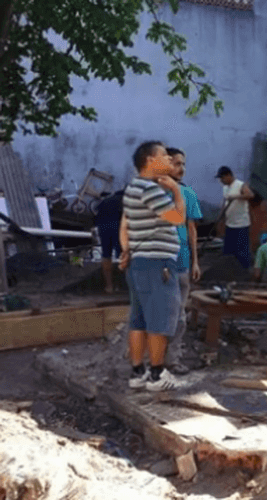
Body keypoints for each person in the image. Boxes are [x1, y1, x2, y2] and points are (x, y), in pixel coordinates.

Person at [119, 141, 185, 391]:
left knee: (139, 319)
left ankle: (138, 372)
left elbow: (127, 224)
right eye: (164, 156)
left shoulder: (133, 187)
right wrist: (176, 191)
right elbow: (178, 218)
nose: (169, 160)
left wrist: (127, 250)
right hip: (157, 263)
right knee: (159, 317)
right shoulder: (150, 189)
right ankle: (157, 375)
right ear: (150, 160)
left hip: (140, 262)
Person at [167, 147, 203, 374]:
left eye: (183, 164)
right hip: (159, 261)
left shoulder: (188, 193)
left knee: (179, 316)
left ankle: (171, 359)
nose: (181, 168)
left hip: (182, 261)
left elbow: (191, 229)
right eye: (176, 163)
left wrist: (195, 261)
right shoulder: (154, 193)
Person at [215, 166, 254, 268]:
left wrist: (236, 197)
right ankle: (230, 270)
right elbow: (225, 202)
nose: (221, 181)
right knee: (228, 250)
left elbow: (250, 195)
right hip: (230, 224)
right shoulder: (225, 188)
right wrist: (221, 215)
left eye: (222, 178)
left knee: (242, 251)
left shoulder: (240, 185)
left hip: (241, 224)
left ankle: (244, 270)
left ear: (228, 175)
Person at [94, 189, 125, 293]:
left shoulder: (106, 200)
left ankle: (109, 286)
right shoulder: (124, 200)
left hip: (103, 228)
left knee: (106, 255)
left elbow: (96, 213)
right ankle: (124, 285)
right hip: (117, 227)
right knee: (123, 256)